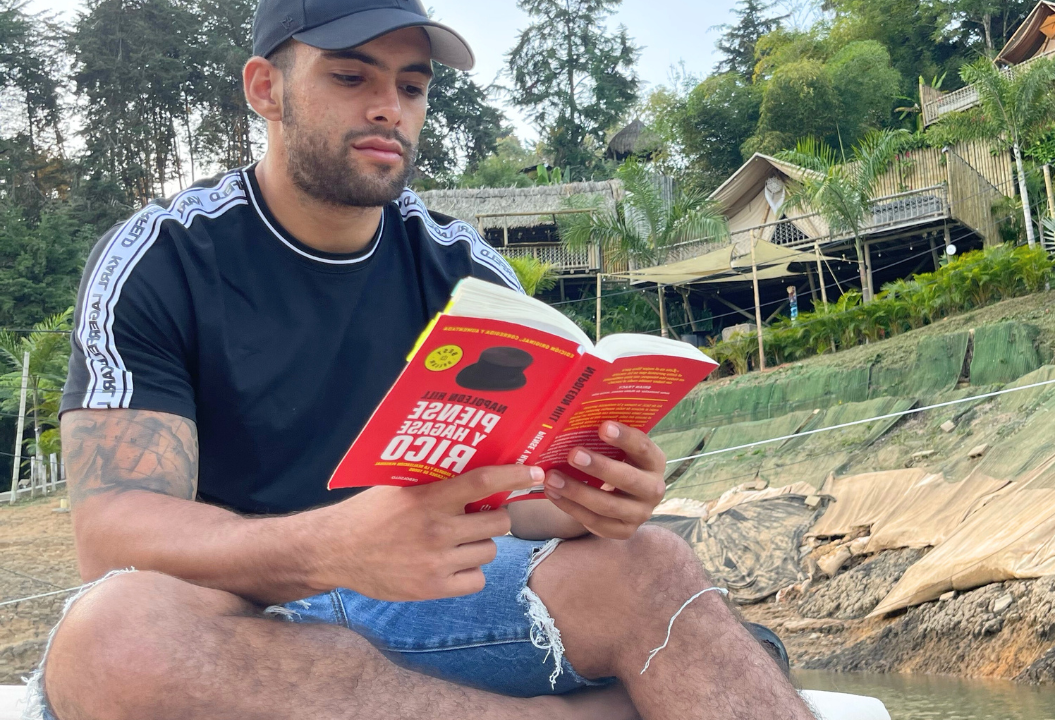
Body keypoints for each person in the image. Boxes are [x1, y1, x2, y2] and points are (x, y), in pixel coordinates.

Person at [30, 1, 815, 719]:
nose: (389, 108)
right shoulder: (163, 257)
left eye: (411, 86)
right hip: (243, 608)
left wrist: (586, 497)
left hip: (439, 598)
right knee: (114, 639)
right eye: (351, 77)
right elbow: (113, 530)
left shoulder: (465, 270)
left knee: (654, 564)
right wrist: (330, 546)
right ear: (266, 88)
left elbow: (516, 499)